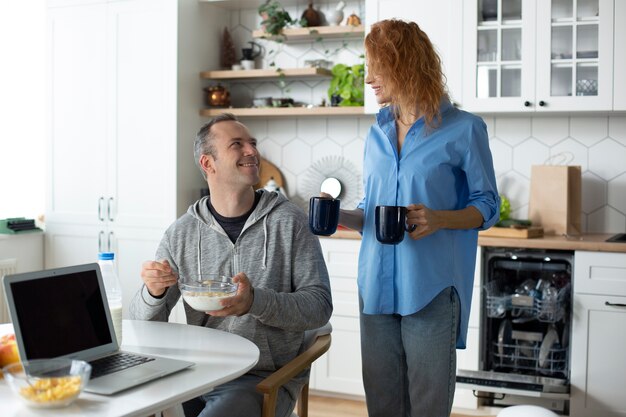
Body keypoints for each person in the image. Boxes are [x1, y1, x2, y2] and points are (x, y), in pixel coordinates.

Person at [332, 19, 500, 417]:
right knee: (383, 405)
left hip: (430, 288)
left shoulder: (464, 129)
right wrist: (339, 216)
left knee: (427, 406)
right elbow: (371, 211)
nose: (368, 77)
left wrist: (440, 218)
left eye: (377, 65)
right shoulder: (377, 133)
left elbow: (487, 205)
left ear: (405, 63)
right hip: (375, 287)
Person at [129, 113, 333, 417]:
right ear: (207, 164)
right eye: (237, 144)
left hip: (259, 378)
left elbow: (319, 306)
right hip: (194, 373)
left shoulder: (290, 222)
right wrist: (153, 292)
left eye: (252, 143)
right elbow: (142, 325)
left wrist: (255, 302)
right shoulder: (181, 233)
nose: (252, 151)